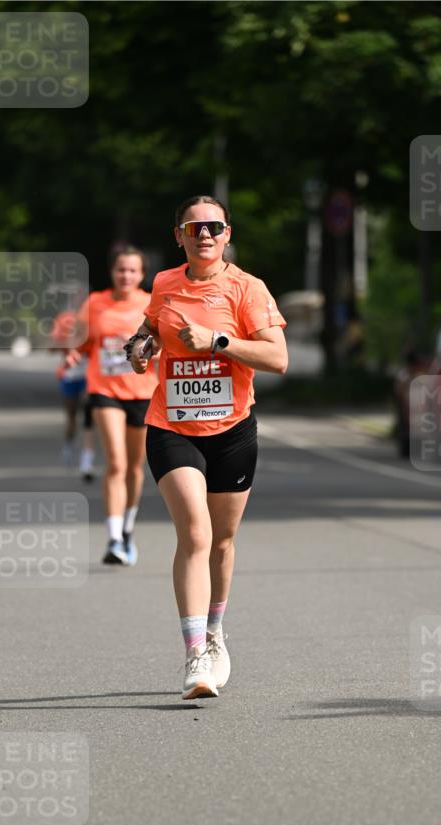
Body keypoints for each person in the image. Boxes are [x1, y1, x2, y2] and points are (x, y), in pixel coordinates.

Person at [127, 195, 287, 700]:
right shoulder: (165, 283)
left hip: (233, 430)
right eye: (194, 227)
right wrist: (140, 345)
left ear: (227, 234)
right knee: (194, 533)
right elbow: (151, 326)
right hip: (171, 426)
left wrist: (217, 342)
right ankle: (195, 655)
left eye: (213, 227)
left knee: (221, 540)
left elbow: (277, 357)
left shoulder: (246, 288)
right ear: (178, 235)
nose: (204, 235)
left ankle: (216, 631)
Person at [67, 247, 158, 565]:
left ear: (142, 274)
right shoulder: (95, 303)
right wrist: (73, 352)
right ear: (112, 272)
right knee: (116, 463)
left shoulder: (152, 303)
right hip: (104, 390)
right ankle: (114, 538)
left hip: (143, 392)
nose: (126, 276)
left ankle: (129, 528)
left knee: (135, 467)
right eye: (121, 270)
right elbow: (82, 341)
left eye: (133, 270)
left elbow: (163, 344)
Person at [50, 309, 96, 480]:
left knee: (88, 413)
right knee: (71, 416)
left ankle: (87, 460)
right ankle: (69, 445)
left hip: (89, 375)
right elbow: (51, 348)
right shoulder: (63, 320)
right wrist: (64, 343)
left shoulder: (94, 321)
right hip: (70, 374)